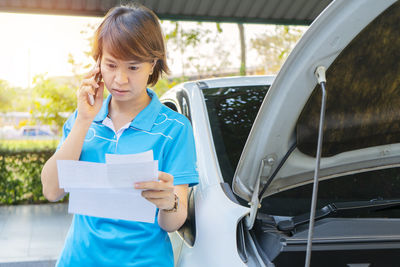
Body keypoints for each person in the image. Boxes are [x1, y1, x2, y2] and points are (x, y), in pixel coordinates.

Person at [40, 3, 198, 267]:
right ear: (97, 64)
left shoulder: (175, 129)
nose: (120, 79)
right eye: (111, 65)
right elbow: (51, 190)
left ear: (152, 65)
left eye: (133, 67)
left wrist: (169, 202)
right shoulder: (82, 120)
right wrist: (84, 120)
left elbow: (172, 223)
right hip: (78, 260)